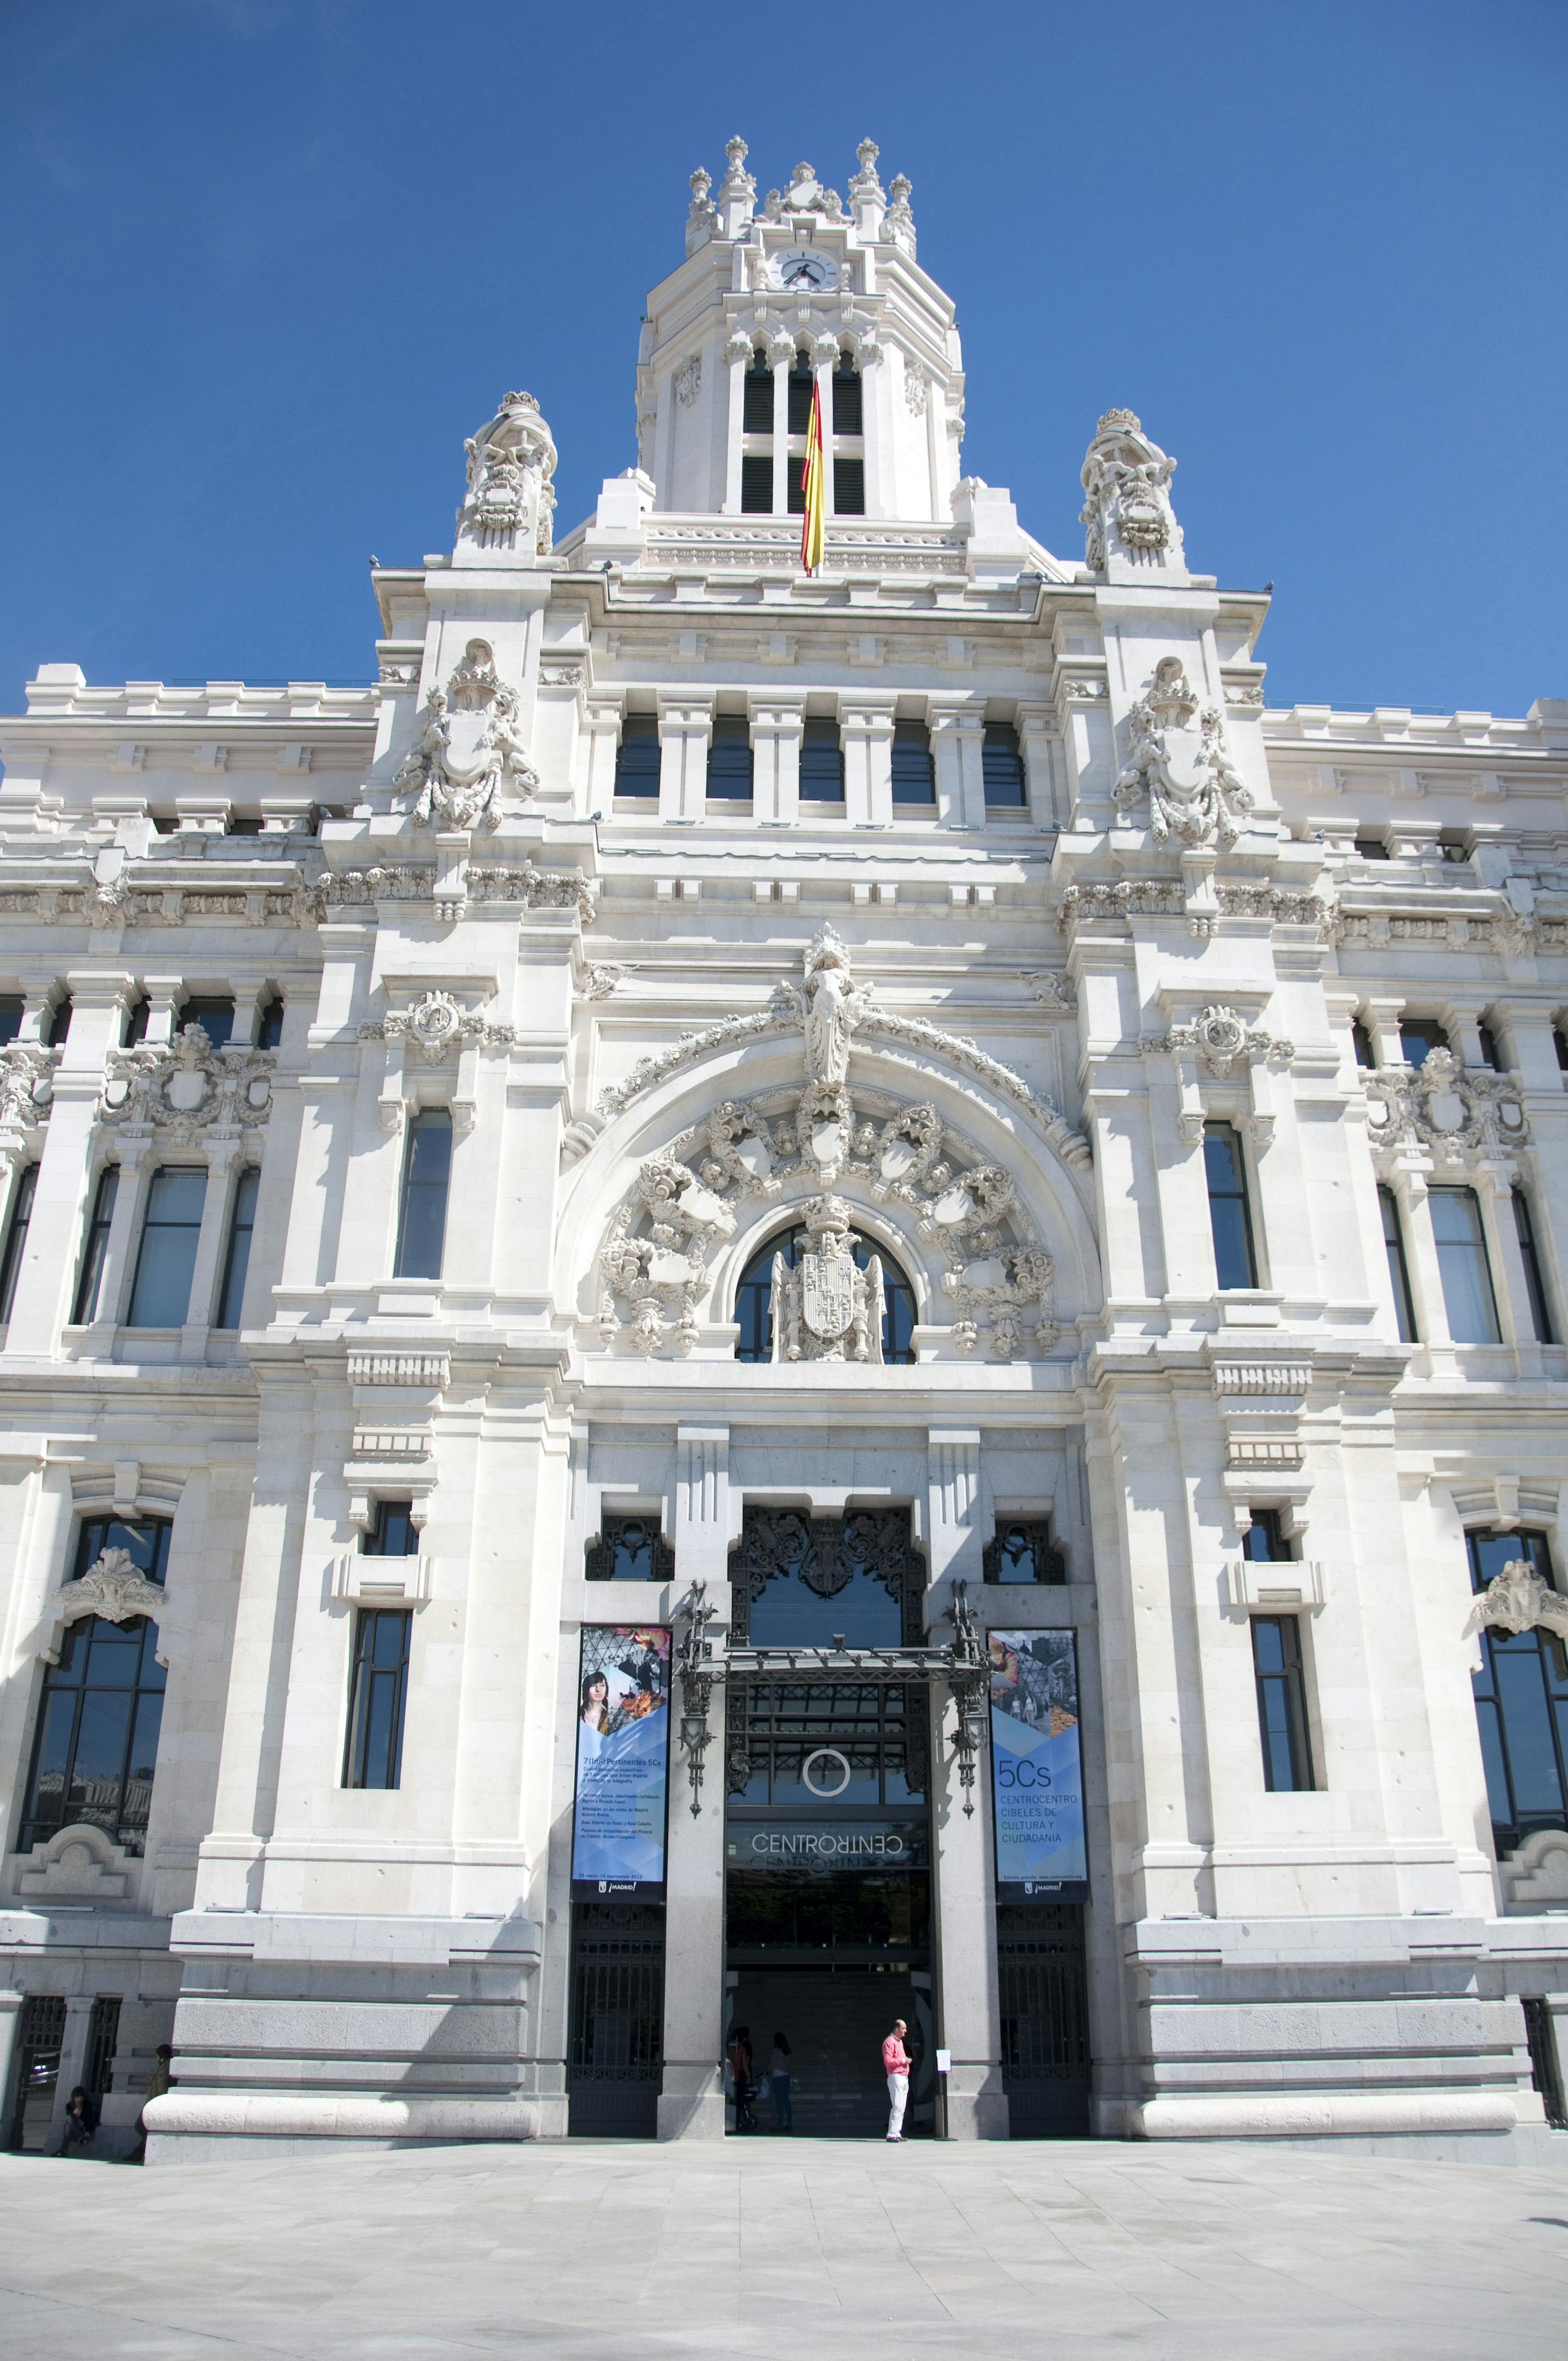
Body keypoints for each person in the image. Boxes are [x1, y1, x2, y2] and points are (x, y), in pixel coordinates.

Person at [130, 2043, 174, 2164]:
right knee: (146, 2129)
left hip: (154, 2105)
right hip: (154, 2104)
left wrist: (159, 2105)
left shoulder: (165, 2067)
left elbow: (162, 2086)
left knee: (140, 2126)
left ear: (161, 2056)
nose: (156, 2058)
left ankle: (139, 2151)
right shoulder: (165, 2066)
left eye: (157, 2055)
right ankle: (138, 2152)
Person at [882, 2017, 910, 2142]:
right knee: (897, 2105)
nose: (905, 2031)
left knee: (902, 2106)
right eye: (903, 2028)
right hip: (896, 2077)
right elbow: (888, 2061)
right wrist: (903, 2061)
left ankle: (897, 2132)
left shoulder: (899, 2042)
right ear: (897, 2029)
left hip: (904, 2077)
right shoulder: (889, 2042)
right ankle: (892, 2134)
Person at [727, 2023, 756, 2133]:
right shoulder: (742, 2049)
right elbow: (745, 2065)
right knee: (741, 2101)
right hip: (740, 2078)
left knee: (734, 2101)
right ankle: (739, 2121)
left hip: (730, 2077)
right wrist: (749, 2077)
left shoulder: (729, 2048)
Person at [61, 2084, 98, 2153]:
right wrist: (74, 2114)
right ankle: (80, 2137)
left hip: (83, 2128)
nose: (79, 2099)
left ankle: (63, 2150)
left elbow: (91, 2121)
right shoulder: (69, 2106)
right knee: (68, 2124)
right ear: (74, 2098)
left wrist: (89, 2132)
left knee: (68, 2123)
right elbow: (70, 2119)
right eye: (77, 2097)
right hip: (75, 2131)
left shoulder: (87, 2106)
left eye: (81, 2097)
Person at [769, 2031, 793, 2133]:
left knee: (779, 2102)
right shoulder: (787, 2051)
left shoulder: (776, 2051)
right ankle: (789, 2122)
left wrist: (766, 2070)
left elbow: (773, 2064)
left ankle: (779, 2124)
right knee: (786, 2101)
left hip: (778, 2077)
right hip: (786, 2076)